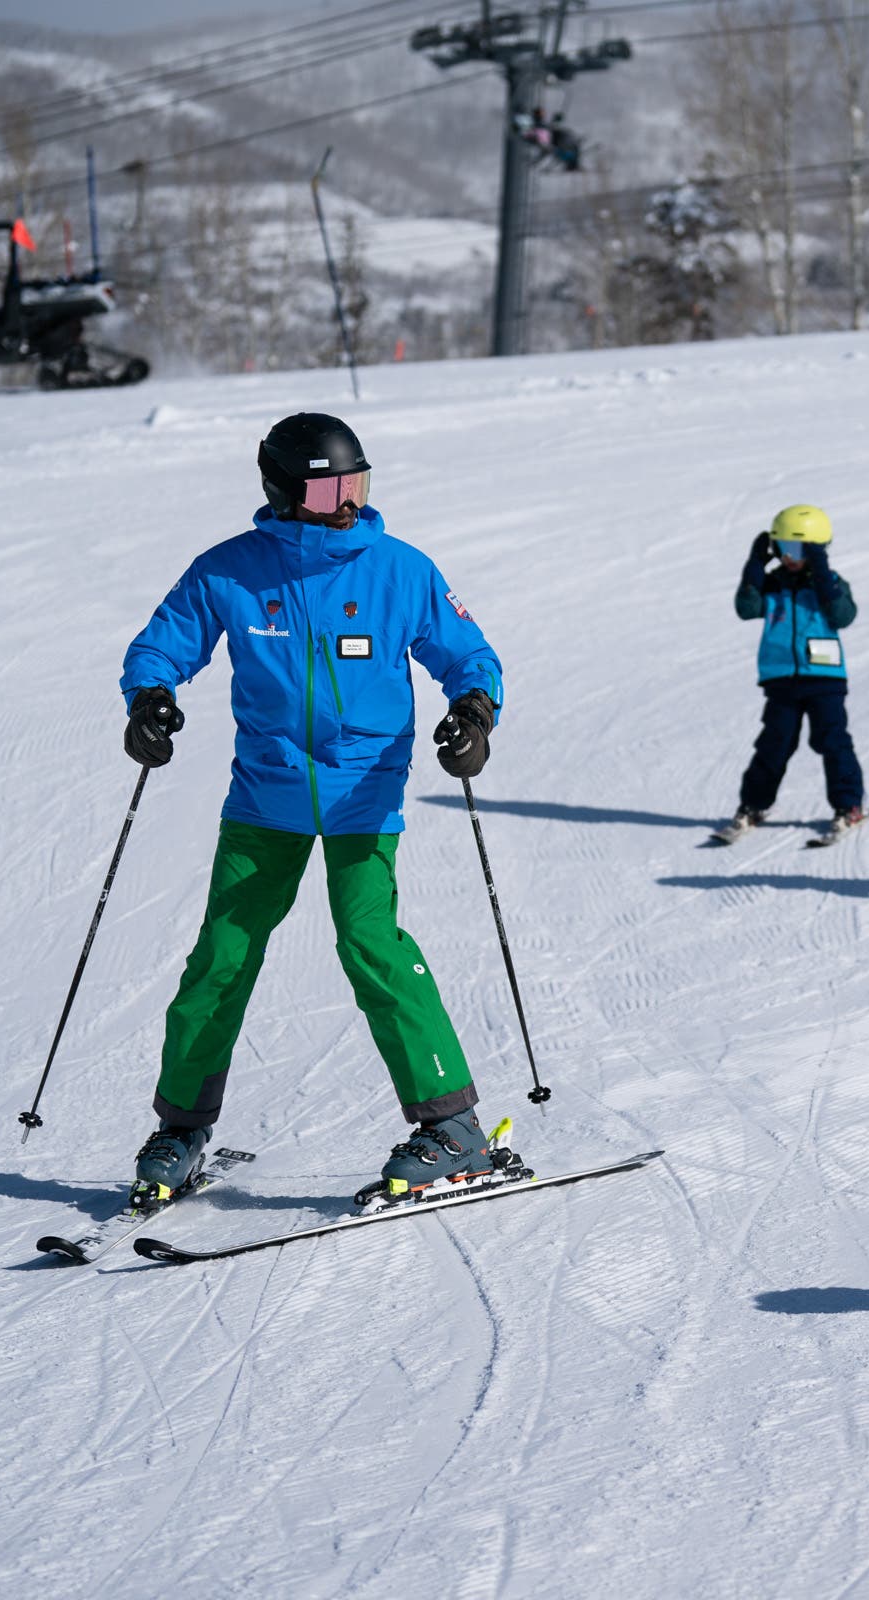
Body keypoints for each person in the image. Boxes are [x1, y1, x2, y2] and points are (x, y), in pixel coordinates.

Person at [117, 412, 513, 1210]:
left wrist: (473, 711)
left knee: (370, 943)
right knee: (221, 955)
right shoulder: (229, 571)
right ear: (284, 489)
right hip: (264, 794)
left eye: (357, 483)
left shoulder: (398, 570)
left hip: (365, 791)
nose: (348, 500)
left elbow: (469, 654)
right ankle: (182, 1127)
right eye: (331, 486)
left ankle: (455, 1126)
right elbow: (160, 644)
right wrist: (150, 698)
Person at [717, 505, 866, 844]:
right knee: (774, 743)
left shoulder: (831, 584)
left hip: (824, 680)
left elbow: (843, 615)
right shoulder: (773, 584)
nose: (790, 557)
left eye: (799, 550)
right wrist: (755, 565)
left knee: (832, 740)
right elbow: (746, 608)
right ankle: (753, 805)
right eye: (782, 548)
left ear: (818, 549)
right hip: (781, 679)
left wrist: (822, 570)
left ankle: (848, 805)